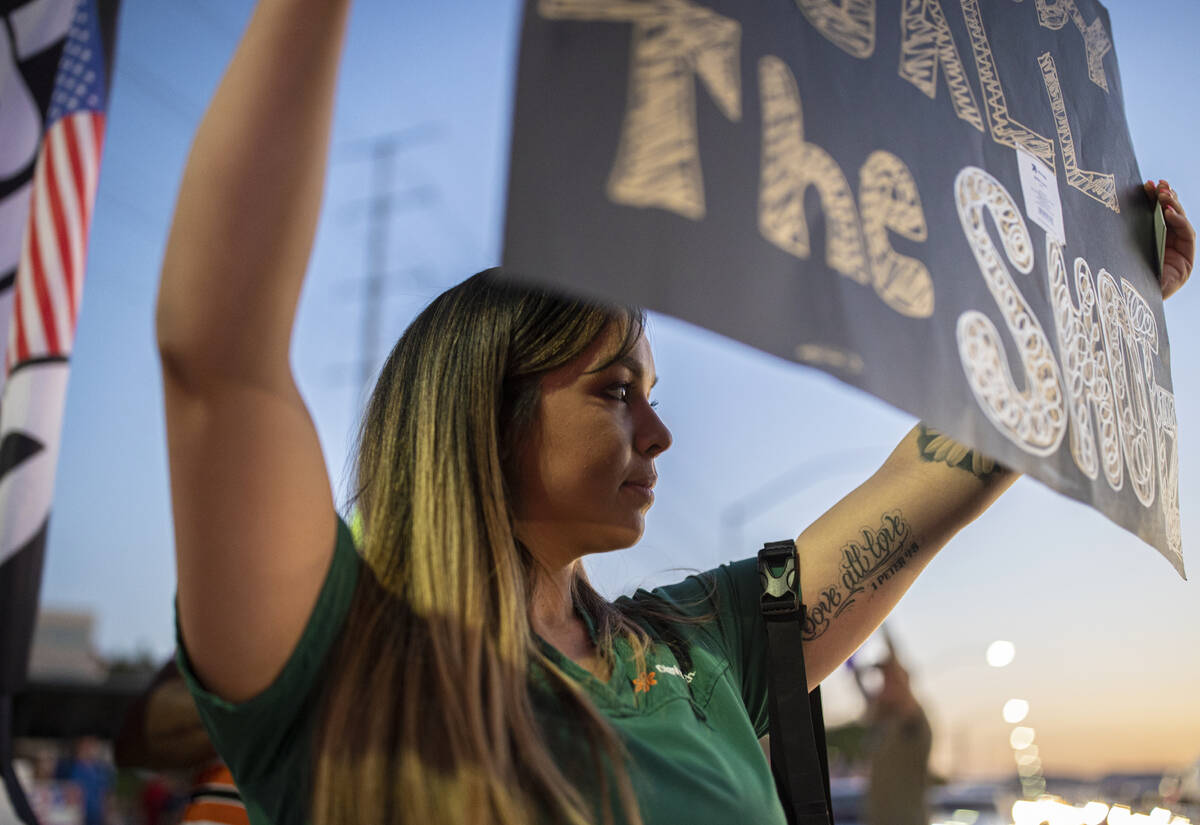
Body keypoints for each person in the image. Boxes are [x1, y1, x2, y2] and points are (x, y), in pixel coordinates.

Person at [153, 1, 1195, 824]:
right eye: (615, 393)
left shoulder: (699, 651)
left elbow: (926, 485)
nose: (658, 436)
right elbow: (220, 360)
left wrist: (1096, 301)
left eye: (652, 396)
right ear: (482, 413)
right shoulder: (348, 656)